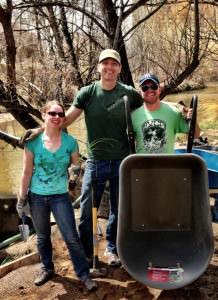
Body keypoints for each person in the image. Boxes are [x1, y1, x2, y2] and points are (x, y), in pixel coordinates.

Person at [64, 49, 143, 266]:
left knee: (119, 209)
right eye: (105, 63)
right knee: (88, 208)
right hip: (95, 161)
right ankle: (87, 251)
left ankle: (112, 249)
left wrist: (180, 111)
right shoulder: (87, 93)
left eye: (114, 64)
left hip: (122, 162)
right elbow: (66, 120)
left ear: (119, 68)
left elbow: (150, 108)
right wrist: (42, 130)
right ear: (98, 67)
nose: (109, 67)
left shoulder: (129, 93)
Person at [16, 101, 97, 291]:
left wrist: (74, 175)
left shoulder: (70, 142)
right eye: (52, 113)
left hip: (60, 196)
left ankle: (84, 275)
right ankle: (47, 268)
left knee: (71, 237)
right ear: (44, 115)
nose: (57, 117)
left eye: (61, 115)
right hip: (36, 196)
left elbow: (75, 166)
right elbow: (26, 172)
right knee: (43, 236)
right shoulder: (33, 142)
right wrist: (21, 199)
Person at [131, 73, 200, 153]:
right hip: (142, 164)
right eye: (145, 88)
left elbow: (195, 135)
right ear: (140, 92)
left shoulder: (174, 112)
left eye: (154, 86)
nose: (150, 90)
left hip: (167, 163)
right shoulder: (133, 116)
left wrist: (193, 118)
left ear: (159, 89)